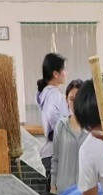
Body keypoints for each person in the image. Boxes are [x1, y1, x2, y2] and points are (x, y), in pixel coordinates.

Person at [36, 53, 69, 182]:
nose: (66, 73)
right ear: (56, 74)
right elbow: (52, 115)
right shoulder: (54, 93)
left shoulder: (46, 93)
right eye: (64, 70)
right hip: (55, 154)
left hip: (50, 153)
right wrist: (65, 134)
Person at [51, 79, 87, 194]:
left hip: (86, 191)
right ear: (66, 100)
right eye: (71, 99)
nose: (75, 103)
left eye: (78, 99)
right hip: (64, 190)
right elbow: (55, 159)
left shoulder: (92, 128)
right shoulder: (61, 126)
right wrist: (53, 187)